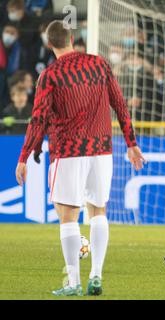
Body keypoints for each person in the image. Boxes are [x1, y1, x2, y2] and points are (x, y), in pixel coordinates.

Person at [15, 20, 145, 296]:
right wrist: (131, 143)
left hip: (69, 152)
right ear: (72, 38)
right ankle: (96, 276)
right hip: (102, 150)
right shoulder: (99, 64)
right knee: (98, 211)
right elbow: (119, 103)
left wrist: (25, 155)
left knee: (68, 216)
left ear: (49, 44)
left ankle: (73, 282)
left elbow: (38, 119)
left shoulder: (50, 75)